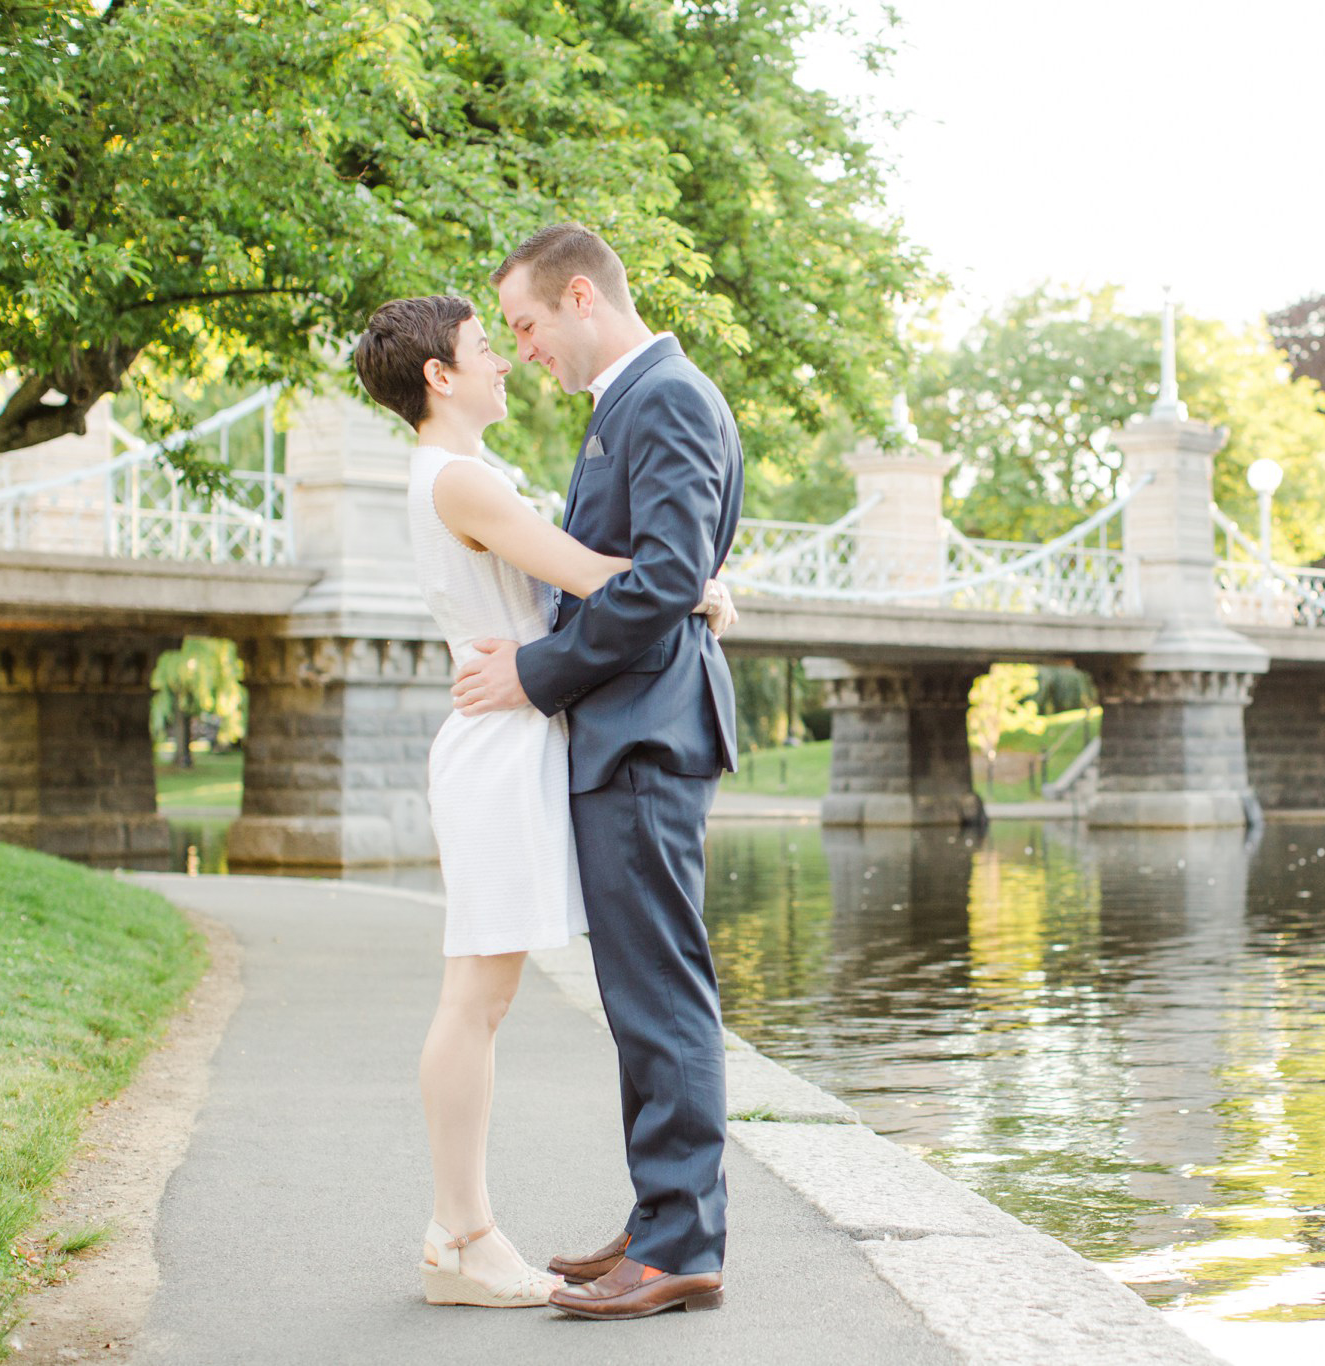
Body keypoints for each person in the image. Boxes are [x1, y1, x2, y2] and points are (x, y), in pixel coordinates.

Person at [350, 293, 736, 1310]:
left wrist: (683, 581)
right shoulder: (463, 480)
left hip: (514, 739)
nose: (507, 360)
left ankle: (467, 1231)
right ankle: (463, 1235)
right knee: (474, 997)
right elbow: (593, 574)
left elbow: (575, 586)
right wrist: (691, 582)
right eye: (488, 346)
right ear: (439, 374)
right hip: (497, 743)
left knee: (485, 995)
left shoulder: (459, 475)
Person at [451, 222, 742, 1321]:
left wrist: (535, 672)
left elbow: (665, 576)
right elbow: (666, 571)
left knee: (659, 990)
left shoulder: (660, 396)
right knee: (640, 992)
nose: (522, 347)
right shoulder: (630, 402)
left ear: (580, 297)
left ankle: (680, 1241)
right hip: (631, 727)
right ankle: (662, 1216)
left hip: (643, 732)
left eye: (524, 324)